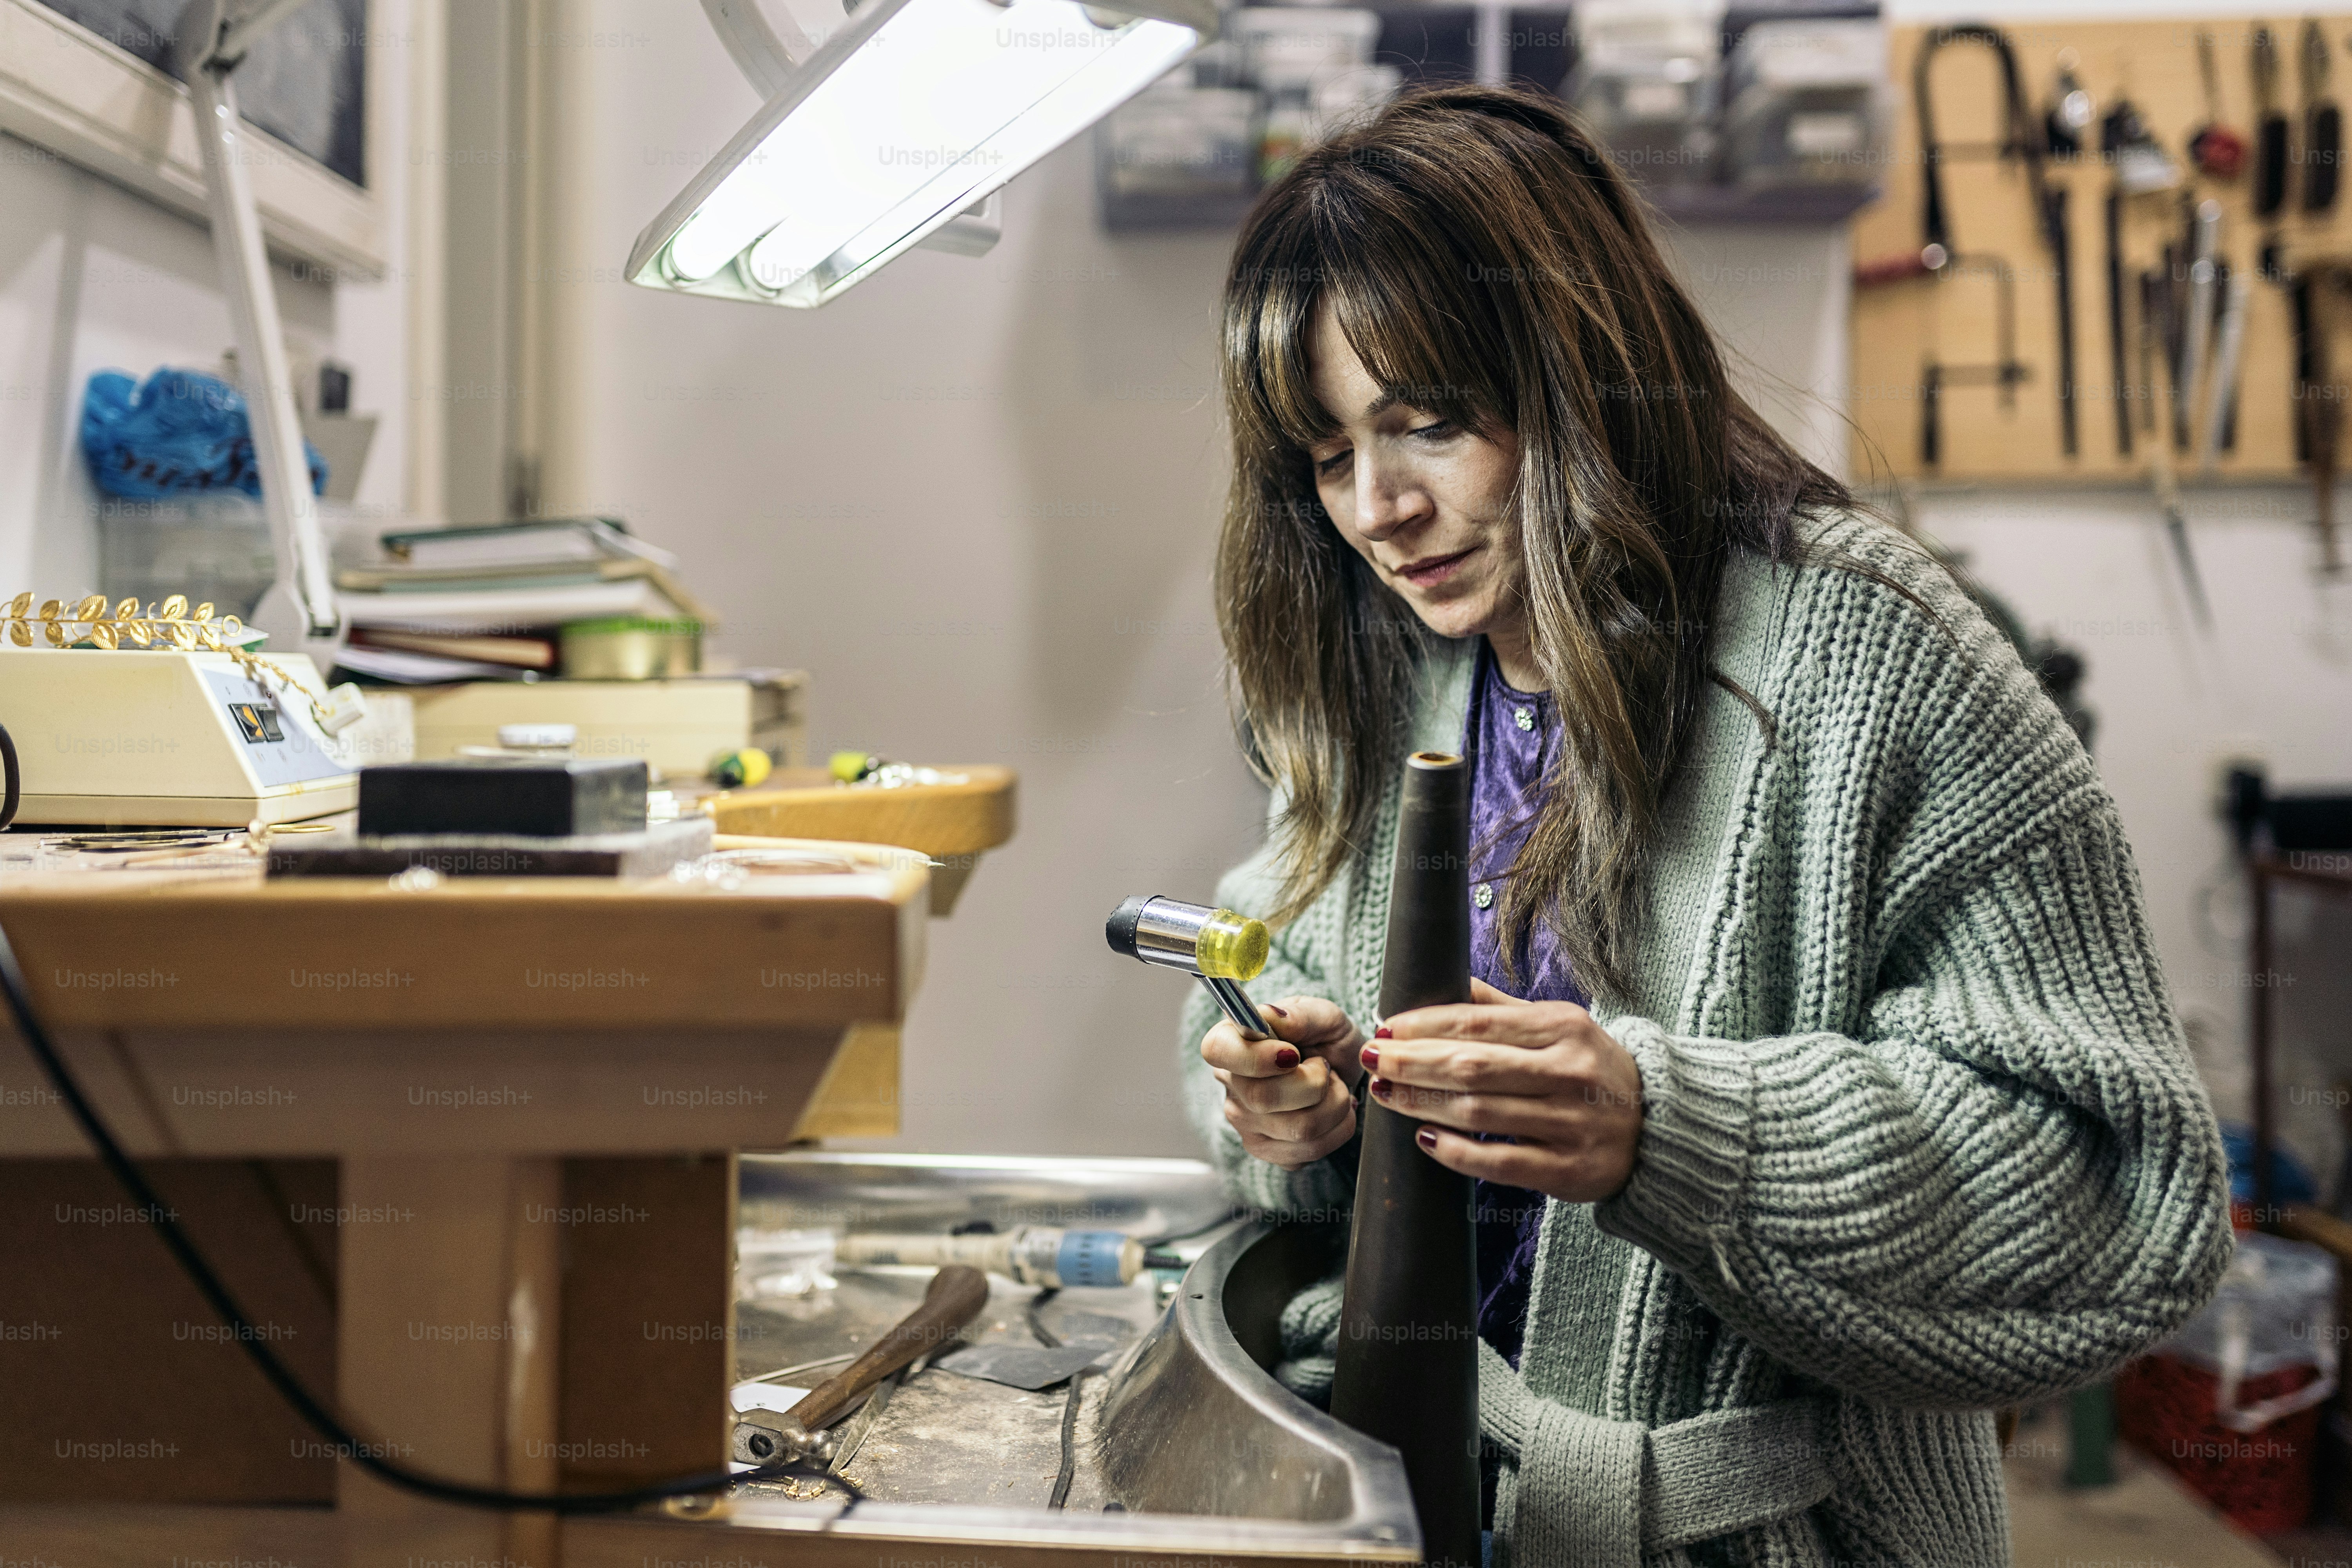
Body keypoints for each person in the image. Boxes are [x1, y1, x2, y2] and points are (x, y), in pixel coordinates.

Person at [1177, 84, 2230, 1567]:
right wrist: (1285, 1098)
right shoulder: (1390, 671)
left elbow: (2114, 1193)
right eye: (1330, 455)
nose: (1380, 509)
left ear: (1586, 366)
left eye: (1428, 426)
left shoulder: (1870, 657)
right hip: (1410, 1491)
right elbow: (1262, 947)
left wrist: (1670, 1130)